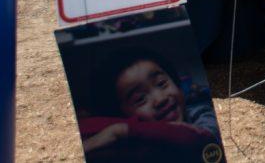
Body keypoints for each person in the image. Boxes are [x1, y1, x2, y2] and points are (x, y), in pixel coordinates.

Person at [82, 48, 222, 158]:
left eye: (161, 83)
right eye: (140, 99)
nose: (160, 99)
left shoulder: (199, 112)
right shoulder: (134, 148)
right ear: (121, 115)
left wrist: (122, 130)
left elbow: (206, 137)